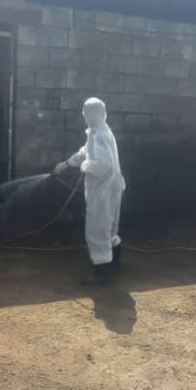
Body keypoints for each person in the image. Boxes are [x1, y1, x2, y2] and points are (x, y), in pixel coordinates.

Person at [54, 97, 125, 285]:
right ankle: (114, 263)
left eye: (88, 113)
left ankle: (102, 273)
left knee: (96, 230)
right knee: (109, 229)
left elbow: (104, 164)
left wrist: (85, 166)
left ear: (92, 114)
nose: (86, 117)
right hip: (112, 188)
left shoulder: (99, 134)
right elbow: (85, 151)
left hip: (102, 191)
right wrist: (67, 163)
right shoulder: (100, 131)